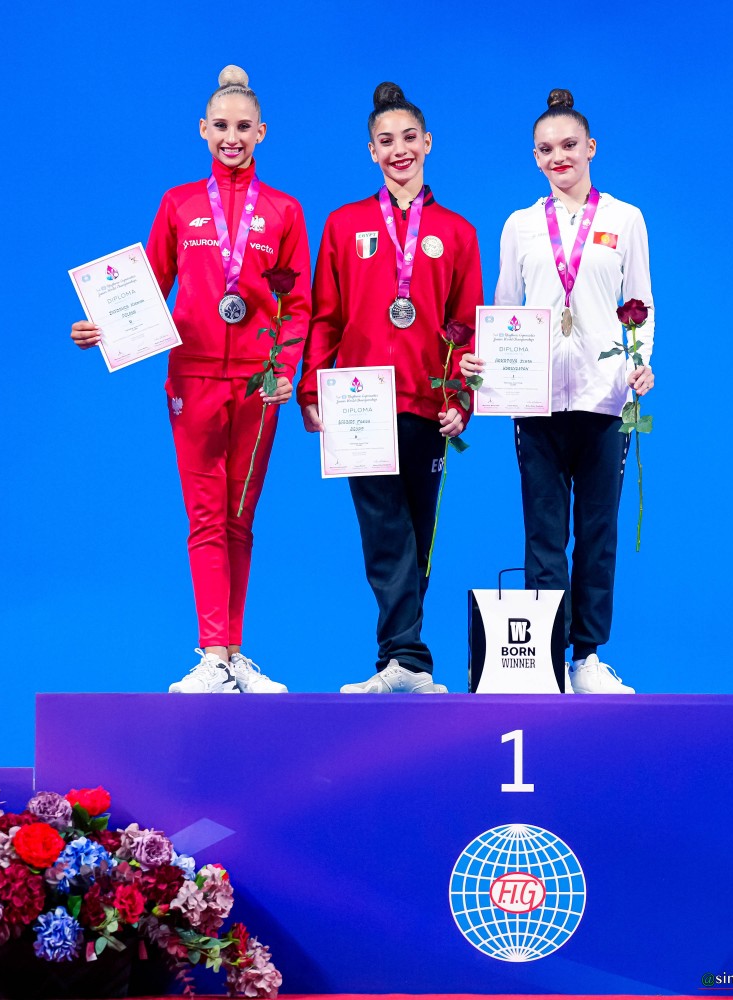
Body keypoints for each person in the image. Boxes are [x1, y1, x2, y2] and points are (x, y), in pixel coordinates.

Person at [71, 66, 311, 694]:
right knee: (206, 517)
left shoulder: (284, 211)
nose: (232, 138)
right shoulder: (178, 204)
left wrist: (285, 371)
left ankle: (234, 653)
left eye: (243, 127)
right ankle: (212, 655)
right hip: (193, 378)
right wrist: (103, 327)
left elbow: (299, 305)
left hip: (258, 385)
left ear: (261, 132)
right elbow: (148, 288)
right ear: (203, 130)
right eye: (221, 126)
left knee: (240, 518)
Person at [461, 88, 654, 694]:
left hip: (604, 397)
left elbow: (640, 304)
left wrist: (640, 365)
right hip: (536, 401)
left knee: (598, 533)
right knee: (543, 534)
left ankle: (586, 657)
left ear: (591, 147)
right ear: (535, 157)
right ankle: (546, 663)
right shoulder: (520, 225)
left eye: (569, 145)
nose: (559, 157)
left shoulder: (624, 219)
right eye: (546, 149)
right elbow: (505, 308)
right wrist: (487, 364)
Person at [298, 82, 483, 694]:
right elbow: (326, 315)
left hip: (427, 401)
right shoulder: (344, 224)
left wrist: (461, 400)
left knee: (418, 531)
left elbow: (467, 324)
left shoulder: (456, 231)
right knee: (383, 530)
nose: (398, 149)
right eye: (386, 140)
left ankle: (402, 661)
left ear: (428, 143)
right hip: (358, 399)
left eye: (408, 138)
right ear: (371, 151)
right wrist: (311, 389)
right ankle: (405, 658)